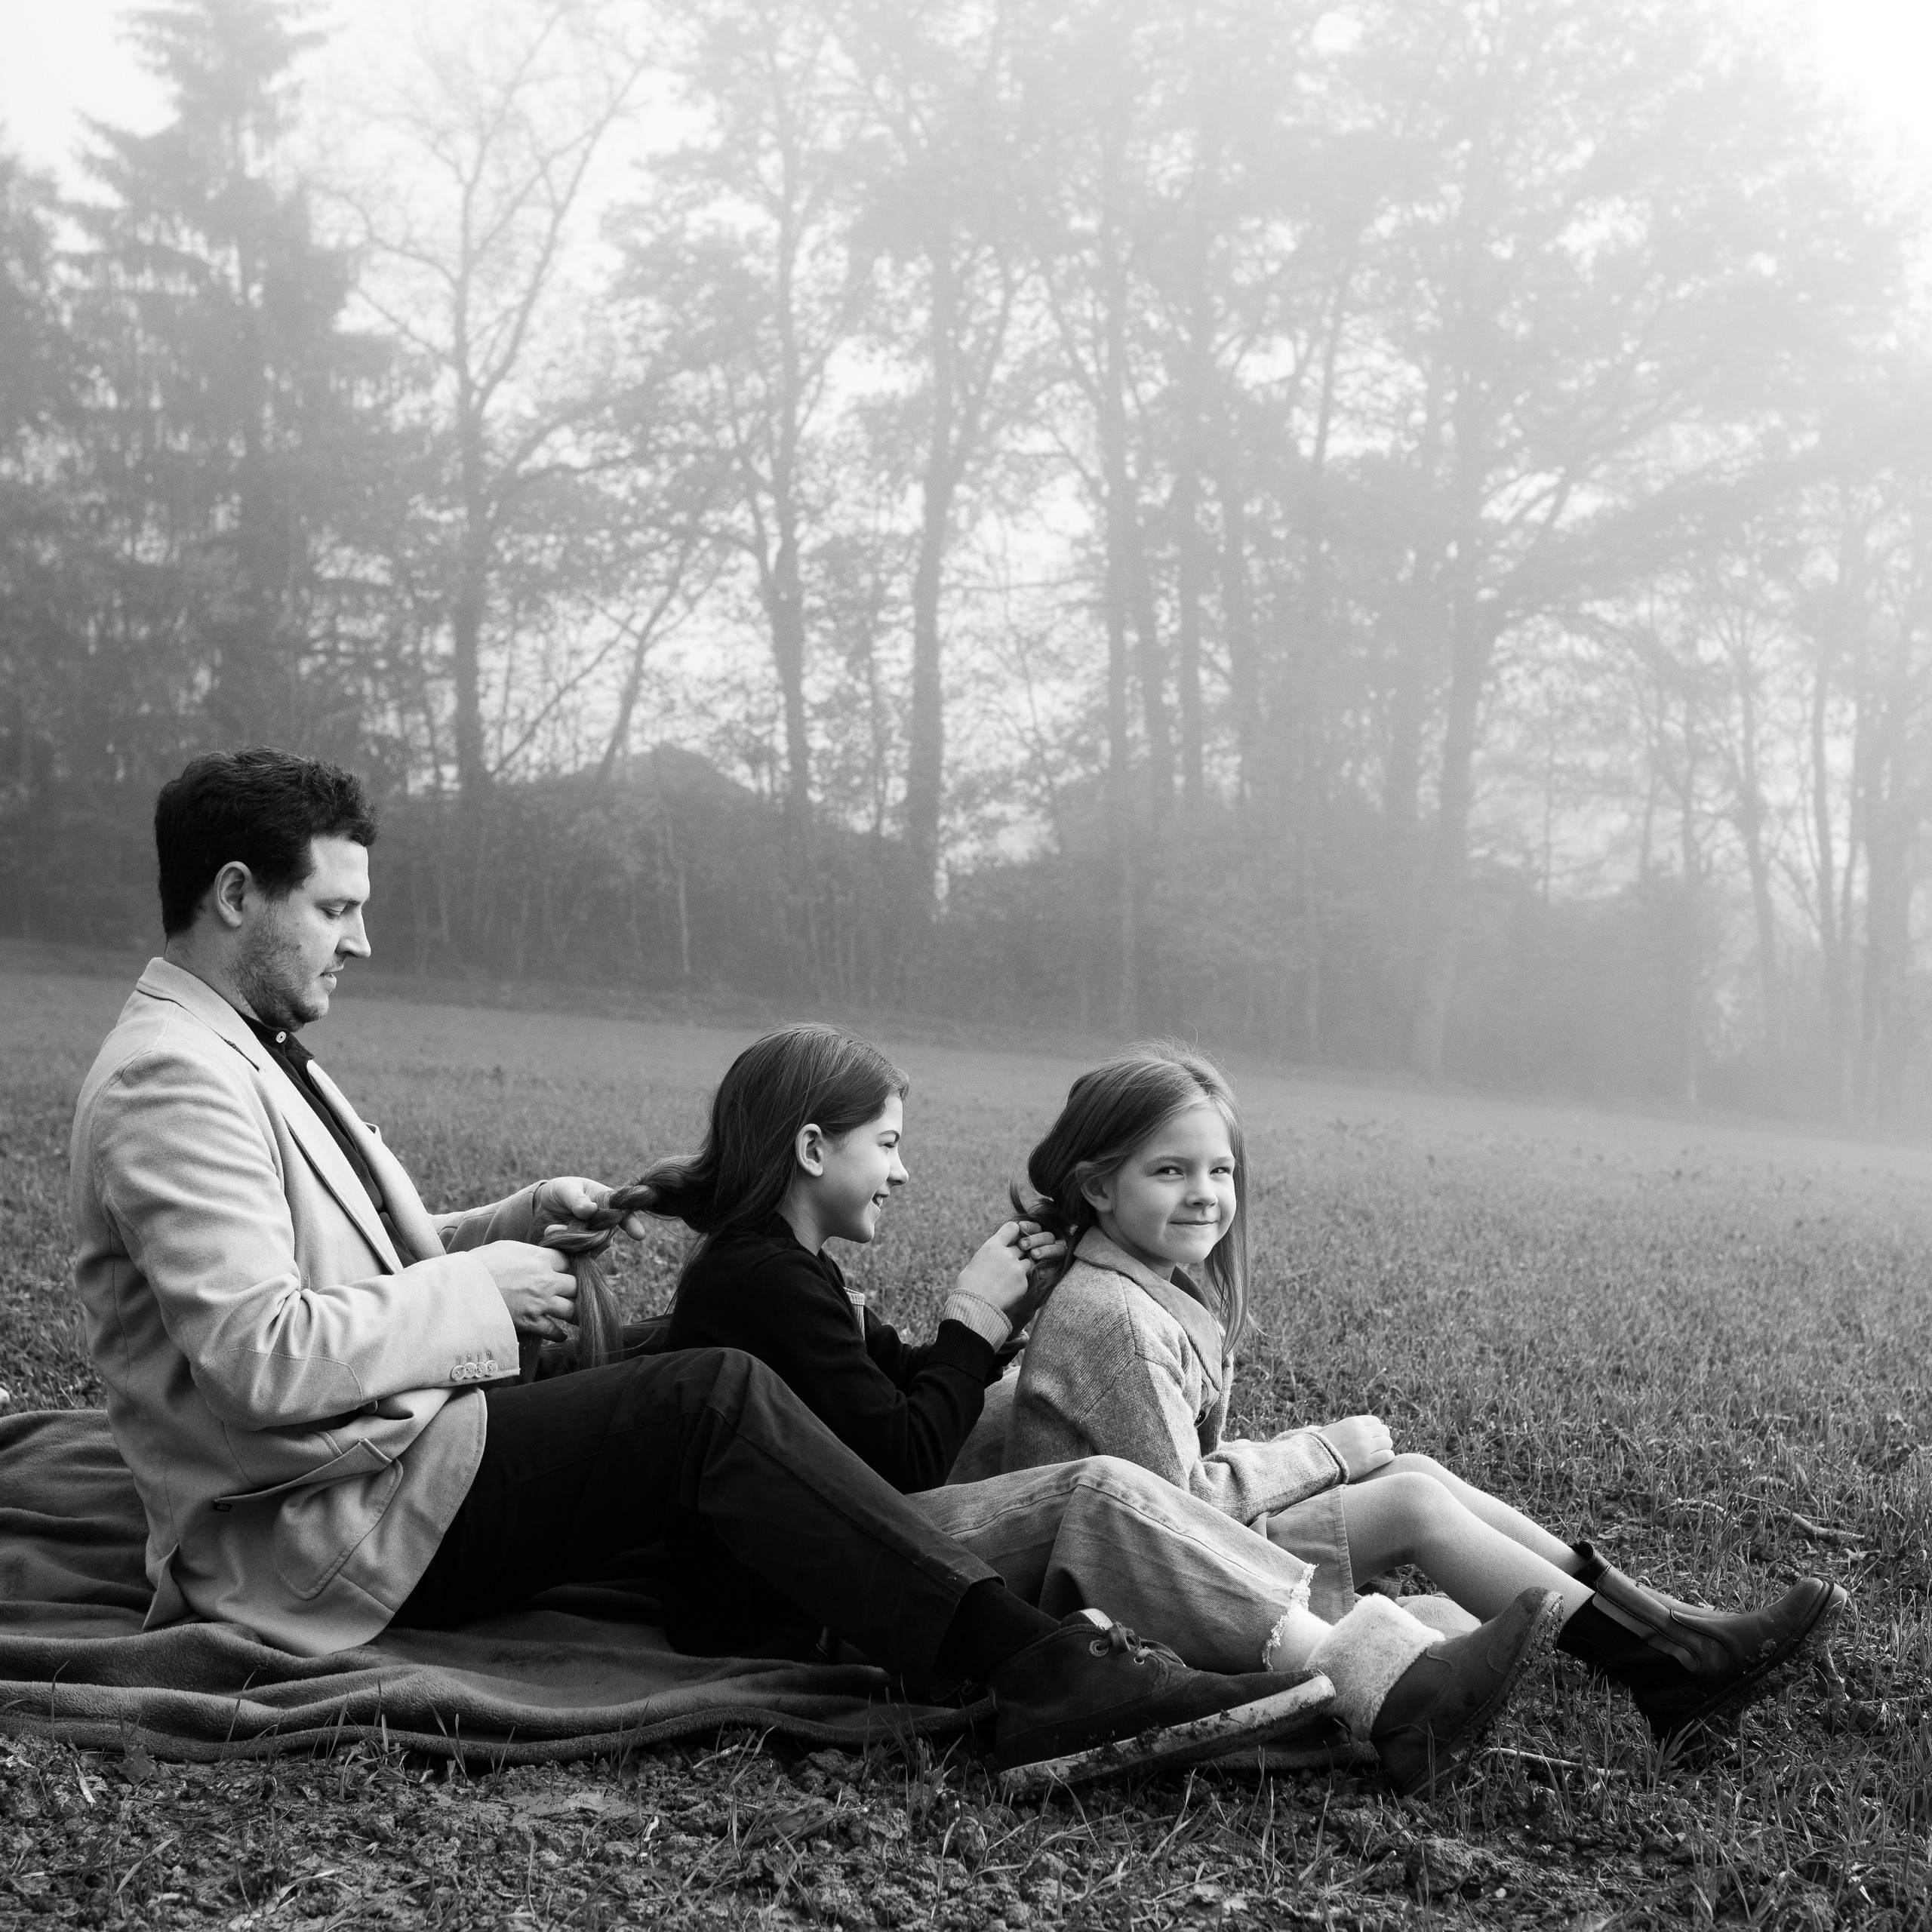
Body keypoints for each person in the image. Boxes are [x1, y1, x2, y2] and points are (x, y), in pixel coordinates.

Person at [69, 749, 1373, 1787]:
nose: (360, 942)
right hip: (316, 1536)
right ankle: (1040, 1676)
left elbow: (344, 1267)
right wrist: (479, 1298)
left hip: (395, 1461)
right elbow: (259, 1356)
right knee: (706, 1394)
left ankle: (1008, 1630)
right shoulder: (176, 1081)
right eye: (336, 909)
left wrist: (512, 1225)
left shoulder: (249, 1048)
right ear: (237, 895)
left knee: (673, 1379)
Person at [639, 1023, 1564, 1796]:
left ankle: (1520, 1641)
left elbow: (897, 1388)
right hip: (802, 1598)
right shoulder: (761, 1276)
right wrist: (971, 1316)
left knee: (1052, 1444)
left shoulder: (784, 1269)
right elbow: (906, 1450)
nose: (904, 1170)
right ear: (810, 1150)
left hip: (831, 1554)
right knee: (1102, 1491)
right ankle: (1394, 1694)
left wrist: (1001, 1321)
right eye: (886, 1143)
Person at [1000, 1041, 1848, 1739]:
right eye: (1170, 1171)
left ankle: (1664, 1627)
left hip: (1168, 1545)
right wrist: (1324, 1451)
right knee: (1408, 1502)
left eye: (1220, 1170)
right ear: (1097, 1185)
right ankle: (1665, 1665)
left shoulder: (1149, 1288)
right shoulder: (1112, 1317)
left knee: (1415, 1468)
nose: (1205, 1195)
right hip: (1120, 1584)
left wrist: (1321, 1462)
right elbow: (1173, 1509)